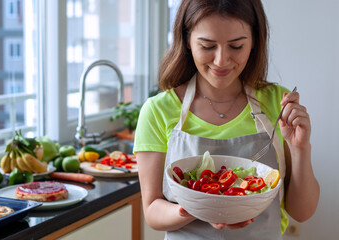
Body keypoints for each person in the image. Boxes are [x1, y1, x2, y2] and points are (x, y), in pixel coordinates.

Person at [133, 0, 320, 239]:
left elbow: (302, 212)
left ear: (254, 42)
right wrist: (196, 206)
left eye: (236, 46)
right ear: (188, 41)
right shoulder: (158, 110)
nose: (221, 60)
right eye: (208, 46)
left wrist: (300, 148)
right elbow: (151, 211)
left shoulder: (277, 103)